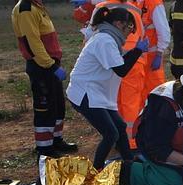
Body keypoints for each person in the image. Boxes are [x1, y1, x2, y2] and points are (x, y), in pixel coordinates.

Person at [67, 7, 148, 170]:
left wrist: (134, 52)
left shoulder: (110, 40)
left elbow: (119, 63)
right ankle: (96, 171)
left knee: (120, 126)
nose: (130, 33)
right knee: (111, 134)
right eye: (130, 28)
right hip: (86, 93)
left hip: (98, 94)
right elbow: (121, 70)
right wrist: (138, 50)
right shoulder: (104, 40)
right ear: (118, 24)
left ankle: (129, 163)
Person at [12, 0, 78, 158]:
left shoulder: (37, 6)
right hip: (41, 66)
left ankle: (56, 140)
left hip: (49, 64)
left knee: (57, 106)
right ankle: (44, 148)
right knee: (45, 108)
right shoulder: (25, 9)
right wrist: (50, 65)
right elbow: (32, 42)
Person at [89, 0, 148, 151]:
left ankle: (118, 139)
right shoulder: (134, 10)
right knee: (131, 104)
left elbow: (90, 36)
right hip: (133, 63)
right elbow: (142, 36)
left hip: (110, 65)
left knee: (111, 102)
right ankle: (130, 142)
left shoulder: (102, 8)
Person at [140, 0, 172, 99]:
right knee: (140, 92)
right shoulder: (136, 2)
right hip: (138, 57)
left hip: (151, 56)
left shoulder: (153, 3)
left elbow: (164, 32)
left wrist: (159, 53)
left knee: (155, 92)